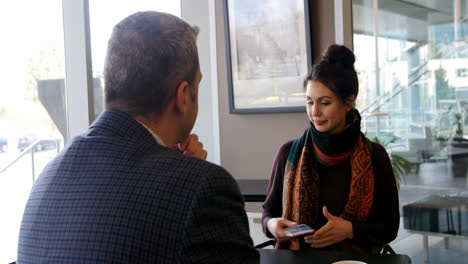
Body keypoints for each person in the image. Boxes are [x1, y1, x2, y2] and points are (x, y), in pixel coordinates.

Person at [17, 11, 259, 263]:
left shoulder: (47, 177)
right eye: (198, 83)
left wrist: (179, 170)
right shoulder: (204, 187)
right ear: (184, 95)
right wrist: (190, 176)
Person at [261, 44, 399, 253]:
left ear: (349, 101)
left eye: (324, 102)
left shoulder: (375, 156)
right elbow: (268, 213)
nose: (314, 112)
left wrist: (350, 230)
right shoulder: (288, 153)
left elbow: (390, 228)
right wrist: (272, 226)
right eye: (309, 102)